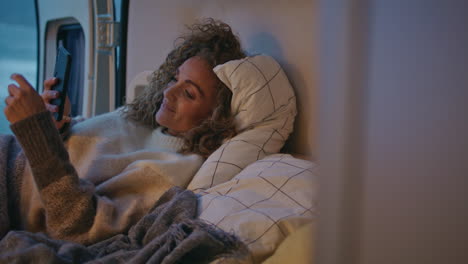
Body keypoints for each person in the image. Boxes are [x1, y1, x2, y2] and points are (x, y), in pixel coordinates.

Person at [1, 18, 246, 245]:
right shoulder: (143, 121)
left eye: (189, 93)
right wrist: (59, 126)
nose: (169, 92)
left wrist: (35, 132)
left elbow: (79, 225)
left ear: (215, 117)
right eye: (175, 78)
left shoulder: (171, 168)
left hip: (8, 194)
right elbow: (78, 157)